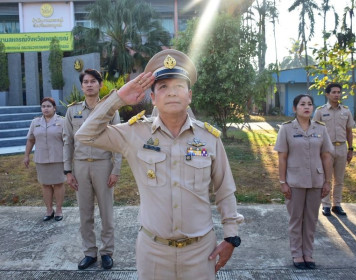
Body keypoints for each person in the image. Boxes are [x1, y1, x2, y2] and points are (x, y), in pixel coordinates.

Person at [75, 49, 244, 280]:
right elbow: (86, 135)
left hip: (201, 252)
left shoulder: (209, 138)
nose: (172, 93)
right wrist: (118, 99)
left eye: (178, 86)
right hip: (153, 252)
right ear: (152, 97)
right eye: (163, 87)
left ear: (190, 95)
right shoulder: (135, 134)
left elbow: (225, 190)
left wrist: (231, 237)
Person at [63, 69, 122, 270]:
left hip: (103, 165)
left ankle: (107, 252)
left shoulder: (109, 110)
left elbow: (118, 141)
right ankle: (89, 252)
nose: (89, 85)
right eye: (85, 82)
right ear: (81, 86)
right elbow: (67, 142)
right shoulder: (72, 111)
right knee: (84, 213)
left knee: (106, 212)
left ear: (100, 85)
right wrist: (67, 171)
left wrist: (116, 170)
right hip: (80, 166)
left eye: (93, 81)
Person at [274, 94, 333, 269]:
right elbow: (282, 157)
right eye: (302, 104)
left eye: (309, 104)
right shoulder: (286, 129)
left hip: (316, 180)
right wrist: (282, 181)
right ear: (294, 108)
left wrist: (327, 181)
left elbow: (326, 156)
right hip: (294, 181)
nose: (306, 107)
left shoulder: (321, 129)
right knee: (296, 219)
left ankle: (308, 253)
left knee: (311, 219)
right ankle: (297, 254)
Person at [313, 83, 355, 217]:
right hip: (326, 148)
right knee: (326, 178)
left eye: (339, 92)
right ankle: (326, 205)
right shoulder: (320, 111)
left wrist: (351, 149)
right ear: (327, 94)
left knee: (339, 179)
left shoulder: (346, 111)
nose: (337, 95)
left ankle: (337, 205)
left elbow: (349, 131)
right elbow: (314, 131)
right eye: (334, 92)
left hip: (342, 147)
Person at [24, 97, 66, 222]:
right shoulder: (35, 122)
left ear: (54, 108)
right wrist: (26, 155)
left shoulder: (62, 122)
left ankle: (59, 210)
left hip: (58, 158)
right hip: (41, 159)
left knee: (58, 184)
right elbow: (31, 140)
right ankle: (49, 210)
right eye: (43, 106)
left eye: (48, 106)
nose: (46, 109)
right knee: (46, 185)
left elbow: (68, 141)